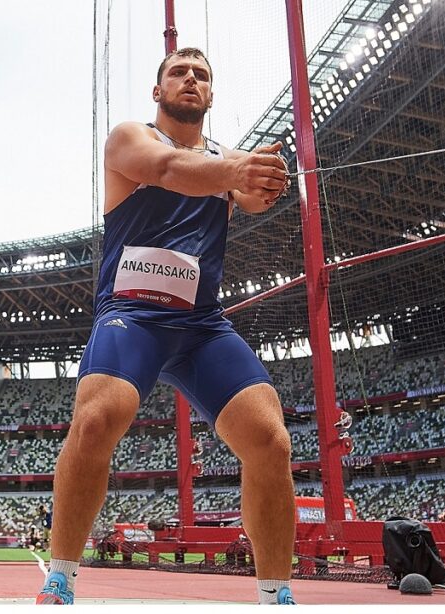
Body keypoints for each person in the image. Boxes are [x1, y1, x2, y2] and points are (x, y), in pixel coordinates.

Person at [36, 47, 296, 605]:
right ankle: (60, 579)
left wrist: (263, 180)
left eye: (201, 75)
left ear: (211, 94)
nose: (190, 80)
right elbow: (168, 170)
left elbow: (250, 195)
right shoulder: (130, 138)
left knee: (270, 441)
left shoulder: (226, 160)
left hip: (200, 325)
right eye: (178, 72)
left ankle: (277, 594)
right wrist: (237, 170)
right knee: (96, 419)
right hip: (133, 314)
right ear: (158, 91)